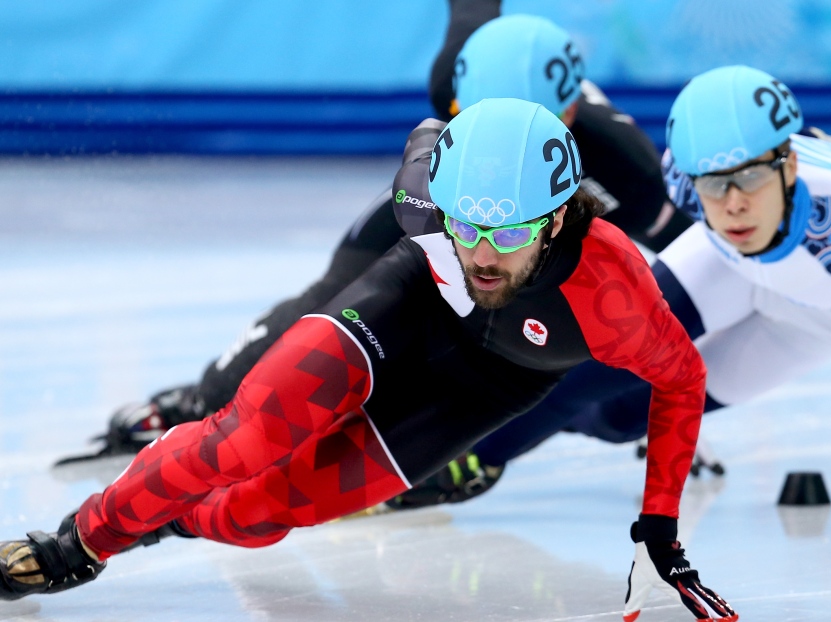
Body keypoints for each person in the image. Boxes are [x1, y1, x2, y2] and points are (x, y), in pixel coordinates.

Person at [1, 98, 738, 622]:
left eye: (510, 235)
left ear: (557, 218)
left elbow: (683, 382)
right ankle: (79, 542)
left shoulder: (613, 293)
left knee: (262, 512)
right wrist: (81, 544)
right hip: (409, 302)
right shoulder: (426, 200)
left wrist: (658, 525)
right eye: (468, 226)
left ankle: (169, 517)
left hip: (486, 385)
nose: (482, 254)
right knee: (247, 437)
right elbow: (431, 136)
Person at [400, 65, 831, 540]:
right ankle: (461, 456)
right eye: (714, 185)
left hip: (826, 310)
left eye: (748, 179)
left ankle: (504, 433)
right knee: (591, 362)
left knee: (624, 418)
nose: (732, 202)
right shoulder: (693, 188)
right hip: (725, 261)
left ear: (789, 166)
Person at [78, 10, 693, 470]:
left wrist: (669, 414)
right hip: (445, 197)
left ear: (568, 123)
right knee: (334, 291)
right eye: (473, 118)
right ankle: (198, 398)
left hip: (529, 260)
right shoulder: (453, 73)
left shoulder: (625, 167)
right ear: (456, 98)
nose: (493, 145)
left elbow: (696, 271)